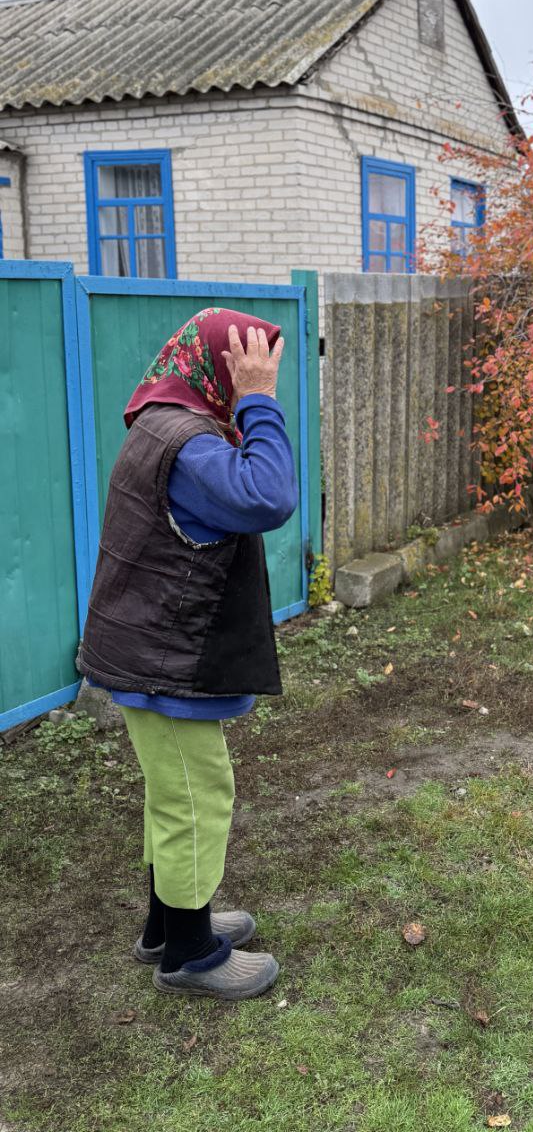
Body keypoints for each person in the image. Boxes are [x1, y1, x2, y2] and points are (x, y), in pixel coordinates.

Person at [77, 307, 298, 1001]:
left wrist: (250, 398)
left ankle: (166, 925)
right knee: (198, 799)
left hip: (151, 648)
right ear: (221, 367)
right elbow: (270, 494)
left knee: (173, 797)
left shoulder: (163, 422)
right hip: (164, 658)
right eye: (251, 367)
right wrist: (259, 401)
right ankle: (192, 954)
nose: (258, 380)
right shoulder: (191, 446)